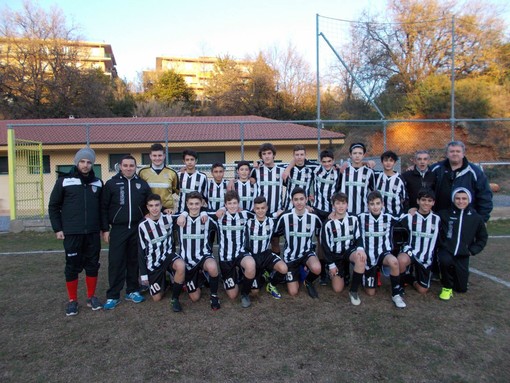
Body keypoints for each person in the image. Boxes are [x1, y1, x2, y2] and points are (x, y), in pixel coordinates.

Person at [48, 147, 104, 316]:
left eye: (89, 162)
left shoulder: (98, 183)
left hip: (93, 233)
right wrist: (58, 228)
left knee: (92, 265)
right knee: (72, 266)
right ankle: (72, 300)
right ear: (76, 162)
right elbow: (53, 206)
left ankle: (91, 297)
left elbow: (102, 209)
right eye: (82, 161)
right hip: (72, 232)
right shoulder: (64, 181)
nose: (85, 165)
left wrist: (103, 228)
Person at [101, 155, 151, 310]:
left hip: (136, 228)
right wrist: (105, 229)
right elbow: (103, 207)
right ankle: (113, 295)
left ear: (135, 167)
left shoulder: (142, 184)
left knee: (133, 260)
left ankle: (132, 290)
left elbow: (148, 205)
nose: (129, 168)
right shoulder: (111, 184)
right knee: (116, 262)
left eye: (131, 165)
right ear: (120, 167)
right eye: (126, 165)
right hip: (118, 228)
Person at [437, 188, 488, 300]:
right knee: (444, 260)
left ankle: (456, 278)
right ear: (453, 199)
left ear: (469, 200)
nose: (461, 201)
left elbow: (482, 238)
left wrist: (472, 250)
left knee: (461, 289)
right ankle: (446, 287)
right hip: (447, 251)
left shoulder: (476, 218)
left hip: (463, 254)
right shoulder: (444, 214)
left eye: (464, 199)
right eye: (458, 198)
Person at [358, 191, 406, 308]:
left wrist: (412, 210)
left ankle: (396, 294)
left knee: (394, 261)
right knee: (370, 292)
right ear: (368, 205)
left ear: (382, 204)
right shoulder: (361, 217)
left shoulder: (388, 217)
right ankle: (372, 273)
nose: (375, 207)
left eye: (378, 203)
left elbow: (404, 218)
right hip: (368, 257)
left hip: (383, 253)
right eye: (372, 204)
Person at [208, 190, 256, 308]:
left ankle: (245, 294)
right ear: (225, 204)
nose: (232, 206)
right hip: (226, 258)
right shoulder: (219, 216)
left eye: (235, 203)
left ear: (238, 203)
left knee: (251, 264)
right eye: (229, 203)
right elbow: (201, 213)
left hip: (241, 253)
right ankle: (228, 278)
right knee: (232, 295)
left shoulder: (245, 215)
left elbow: (262, 214)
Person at [138, 194, 186, 312]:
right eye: (151, 206)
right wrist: (144, 275)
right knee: (157, 298)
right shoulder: (142, 225)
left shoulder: (168, 218)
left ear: (161, 206)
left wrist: (183, 214)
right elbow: (140, 251)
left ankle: (175, 298)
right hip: (153, 263)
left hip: (168, 256)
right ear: (147, 207)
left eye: (157, 205)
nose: (154, 208)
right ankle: (165, 281)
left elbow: (189, 212)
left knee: (181, 265)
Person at [274, 187, 322, 298]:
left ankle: (308, 281)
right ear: (292, 201)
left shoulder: (314, 217)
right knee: (293, 292)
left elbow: (323, 232)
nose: (299, 202)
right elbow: (275, 232)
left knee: (317, 268)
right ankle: (299, 271)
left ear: (306, 200)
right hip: (290, 256)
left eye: (301, 199)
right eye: (296, 199)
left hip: (307, 253)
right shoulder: (285, 217)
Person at [320, 192, 366, 305]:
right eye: (337, 203)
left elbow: (359, 236)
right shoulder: (327, 224)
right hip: (335, 256)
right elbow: (325, 247)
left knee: (360, 258)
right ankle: (337, 272)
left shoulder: (354, 218)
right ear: (333, 205)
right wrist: (331, 265)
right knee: (338, 289)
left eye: (343, 203)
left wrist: (360, 248)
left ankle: (353, 291)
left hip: (349, 252)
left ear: (347, 205)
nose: (340, 206)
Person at [178, 192, 221, 310]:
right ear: (186, 204)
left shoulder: (207, 217)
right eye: (191, 204)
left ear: (201, 203)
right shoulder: (180, 218)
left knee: (212, 267)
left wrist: (205, 211)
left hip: (203, 256)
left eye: (197, 204)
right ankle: (200, 277)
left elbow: (223, 211)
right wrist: (183, 213)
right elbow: (159, 216)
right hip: (187, 261)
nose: (194, 206)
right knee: (195, 297)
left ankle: (214, 296)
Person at [431, 141, 492, 222]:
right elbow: (422, 185)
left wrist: (482, 219)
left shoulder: (475, 172)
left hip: (466, 219)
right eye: (452, 151)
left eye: (458, 151)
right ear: (447, 154)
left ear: (463, 154)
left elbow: (485, 196)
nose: (455, 154)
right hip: (440, 217)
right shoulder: (435, 169)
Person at [241, 196, 288, 300]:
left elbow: (288, 215)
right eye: (257, 208)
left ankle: (271, 285)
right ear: (254, 209)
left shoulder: (272, 222)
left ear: (267, 208)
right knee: (254, 292)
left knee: (284, 269)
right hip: (251, 256)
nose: (260, 210)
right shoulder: (248, 221)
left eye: (263, 208)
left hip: (265, 254)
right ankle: (261, 274)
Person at [397, 189, 440, 294]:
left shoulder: (437, 219)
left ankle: (410, 279)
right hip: (411, 251)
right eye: (423, 200)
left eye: (429, 201)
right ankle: (401, 283)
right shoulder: (410, 217)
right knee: (401, 260)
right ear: (418, 201)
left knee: (422, 290)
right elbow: (395, 224)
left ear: (433, 203)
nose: (426, 203)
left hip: (426, 257)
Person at [250, 143, 285, 253]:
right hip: (260, 212)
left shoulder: (281, 171)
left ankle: (276, 268)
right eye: (264, 154)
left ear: (274, 155)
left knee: (275, 241)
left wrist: (283, 207)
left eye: (269, 153)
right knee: (259, 242)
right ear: (261, 156)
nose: (267, 156)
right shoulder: (256, 170)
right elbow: (243, 178)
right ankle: (261, 268)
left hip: (276, 212)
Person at [138, 143, 179, 214]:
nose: (157, 158)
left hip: (168, 211)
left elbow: (176, 190)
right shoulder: (142, 172)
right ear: (150, 156)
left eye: (160, 155)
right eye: (154, 155)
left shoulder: (172, 172)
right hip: (149, 211)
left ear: (164, 156)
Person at [339, 142, 375, 215]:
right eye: (355, 153)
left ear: (364, 155)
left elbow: (373, 192)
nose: (357, 156)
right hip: (345, 212)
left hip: (363, 212)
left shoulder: (369, 172)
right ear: (350, 154)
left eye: (360, 153)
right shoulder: (344, 170)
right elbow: (336, 189)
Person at [374, 150, 407, 218]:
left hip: (396, 216)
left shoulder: (400, 179)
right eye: (386, 160)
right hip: (380, 216)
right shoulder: (377, 176)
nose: (388, 163)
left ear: (394, 163)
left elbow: (404, 198)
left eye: (391, 160)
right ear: (382, 162)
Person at [281, 145, 315, 210]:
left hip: (306, 207)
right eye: (297, 155)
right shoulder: (285, 168)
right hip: (289, 206)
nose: (299, 157)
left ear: (305, 155)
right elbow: (270, 165)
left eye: (302, 154)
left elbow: (326, 165)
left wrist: (335, 166)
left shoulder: (312, 168)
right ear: (293, 156)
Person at [176, 149, 208, 213]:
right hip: (181, 211)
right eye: (187, 160)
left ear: (196, 161)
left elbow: (205, 196)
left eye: (192, 159)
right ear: (184, 161)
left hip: (196, 212)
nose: (189, 162)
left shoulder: (202, 176)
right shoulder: (178, 175)